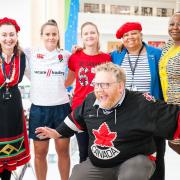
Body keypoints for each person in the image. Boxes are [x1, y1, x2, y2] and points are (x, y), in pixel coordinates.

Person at [36, 62, 180, 180]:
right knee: (78, 176)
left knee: (131, 176)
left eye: (105, 84)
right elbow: (75, 119)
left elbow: (175, 118)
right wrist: (58, 132)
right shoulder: (92, 99)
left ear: (120, 86)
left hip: (135, 161)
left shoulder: (142, 104)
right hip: (100, 165)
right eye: (96, 84)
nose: (99, 90)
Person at [110, 22, 165, 180]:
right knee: (129, 157)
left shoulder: (156, 54)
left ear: (141, 34)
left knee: (157, 156)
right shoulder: (117, 55)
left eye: (133, 33)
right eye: (125, 35)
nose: (130, 37)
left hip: (152, 114)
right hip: (125, 114)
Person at [24, 19, 71, 180]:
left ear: (58, 36)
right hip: (39, 110)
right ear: (41, 36)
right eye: (47, 34)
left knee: (63, 152)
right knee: (39, 153)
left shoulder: (65, 55)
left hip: (61, 109)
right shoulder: (30, 52)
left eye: (54, 34)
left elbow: (75, 70)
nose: (51, 37)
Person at [65, 22, 111, 162]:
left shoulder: (106, 58)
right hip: (80, 109)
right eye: (86, 33)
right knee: (83, 152)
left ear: (98, 35)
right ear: (82, 37)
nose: (89, 35)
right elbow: (69, 81)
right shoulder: (75, 57)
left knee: (99, 151)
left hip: (101, 109)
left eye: (92, 32)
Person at [0, 17, 30, 180]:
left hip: (12, 106)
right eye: (4, 35)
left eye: (11, 34)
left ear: (17, 36)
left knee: (9, 151)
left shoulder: (22, 56)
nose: (8, 38)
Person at [159, 12, 180, 152]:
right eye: (172, 24)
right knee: (175, 144)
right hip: (171, 107)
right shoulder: (168, 46)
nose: (175, 27)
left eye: (179, 24)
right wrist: (123, 48)